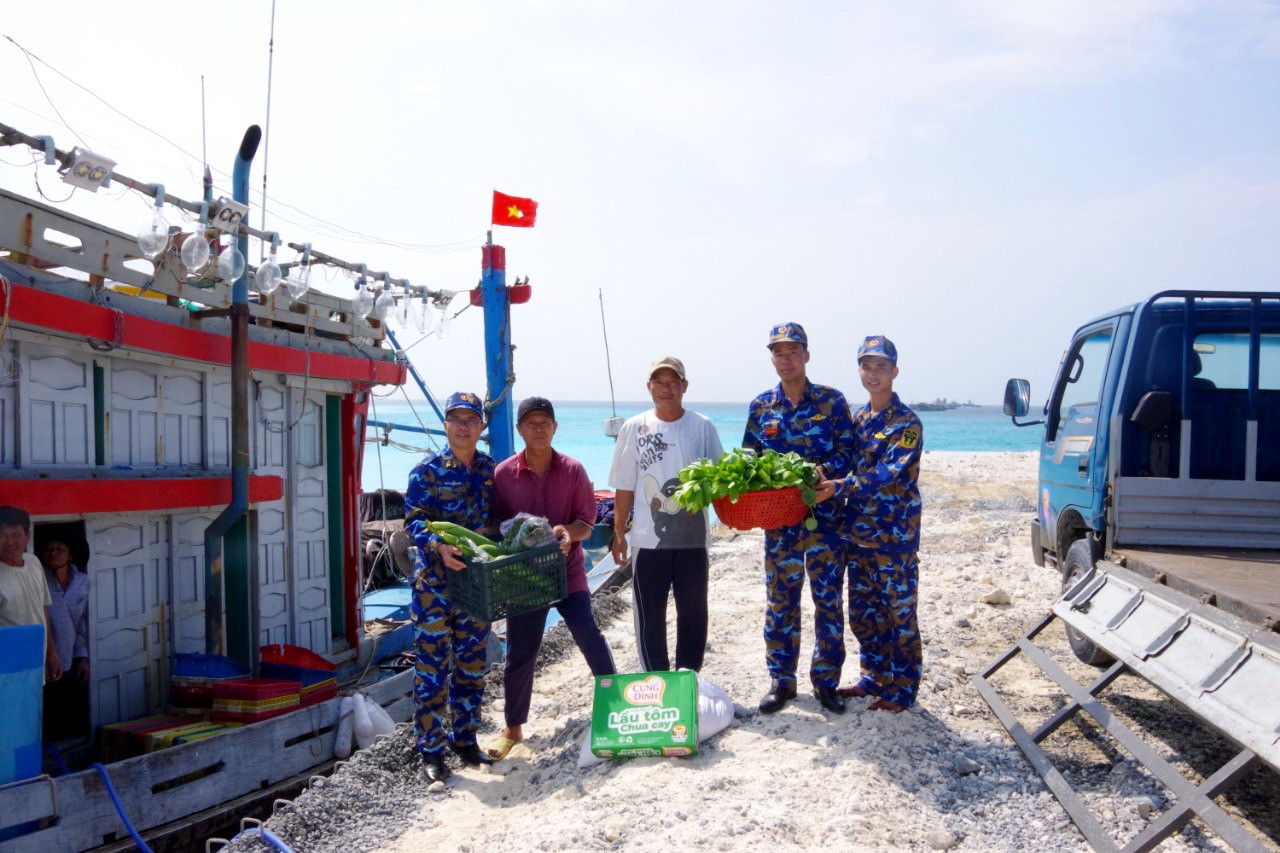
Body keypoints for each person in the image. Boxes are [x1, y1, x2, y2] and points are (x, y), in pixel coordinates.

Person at [486, 396, 616, 760]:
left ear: (555, 428)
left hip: (567, 571)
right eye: (531, 422)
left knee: (588, 633)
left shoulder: (573, 470)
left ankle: (617, 704)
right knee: (520, 652)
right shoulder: (503, 474)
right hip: (524, 578)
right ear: (520, 430)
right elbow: (497, 525)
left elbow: (587, 524)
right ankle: (512, 728)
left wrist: (566, 534)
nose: (539, 428)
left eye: (545, 422)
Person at [743, 322, 857, 715]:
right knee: (781, 603)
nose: (785, 359)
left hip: (826, 522)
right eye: (778, 352)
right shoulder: (761, 406)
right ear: (772, 358)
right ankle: (782, 681)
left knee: (827, 603)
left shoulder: (832, 401)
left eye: (793, 351)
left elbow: (849, 452)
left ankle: (826, 682)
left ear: (807, 355)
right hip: (780, 528)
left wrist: (822, 471)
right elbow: (749, 460)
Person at [816, 335, 923, 713]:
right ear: (859, 371)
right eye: (866, 366)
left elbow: (885, 474)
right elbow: (846, 460)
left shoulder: (907, 423)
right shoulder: (859, 419)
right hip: (858, 535)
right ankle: (874, 678)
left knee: (899, 614)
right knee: (864, 614)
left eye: (881, 367)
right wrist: (820, 472)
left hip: (894, 536)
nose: (873, 374)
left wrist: (838, 487)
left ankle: (903, 690)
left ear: (895, 372)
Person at [609, 357, 724, 672]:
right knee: (649, 615)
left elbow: (720, 481)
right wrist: (618, 533)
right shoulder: (634, 427)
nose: (666, 388)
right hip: (648, 543)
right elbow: (623, 486)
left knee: (693, 613)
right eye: (658, 382)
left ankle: (688, 678)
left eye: (673, 381)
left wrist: (730, 514)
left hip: (692, 541)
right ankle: (656, 679)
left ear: (684, 386)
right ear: (649, 387)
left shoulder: (702, 426)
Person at [404, 392, 497, 782]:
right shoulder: (426, 470)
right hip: (435, 587)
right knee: (431, 668)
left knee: (472, 666)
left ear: (481, 426)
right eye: (456, 419)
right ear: (445, 424)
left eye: (470, 419)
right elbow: (413, 521)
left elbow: (500, 520)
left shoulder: (491, 470)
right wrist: (438, 546)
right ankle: (430, 750)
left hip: (475, 585)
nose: (463, 426)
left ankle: (466, 739)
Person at [0, 506, 62, 684]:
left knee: (35, 710)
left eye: (16, 534)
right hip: (7, 672)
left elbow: (41, 609)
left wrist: (51, 652)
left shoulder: (33, 562)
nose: (9, 541)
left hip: (37, 664)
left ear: (28, 536)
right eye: (2, 535)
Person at [42, 538, 91, 741]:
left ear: (70, 556)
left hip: (69, 659)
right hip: (42, 659)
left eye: (60, 549)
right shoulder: (38, 579)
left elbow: (82, 622)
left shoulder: (82, 582)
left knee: (68, 714)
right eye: (50, 549)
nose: (54, 553)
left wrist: (82, 656)